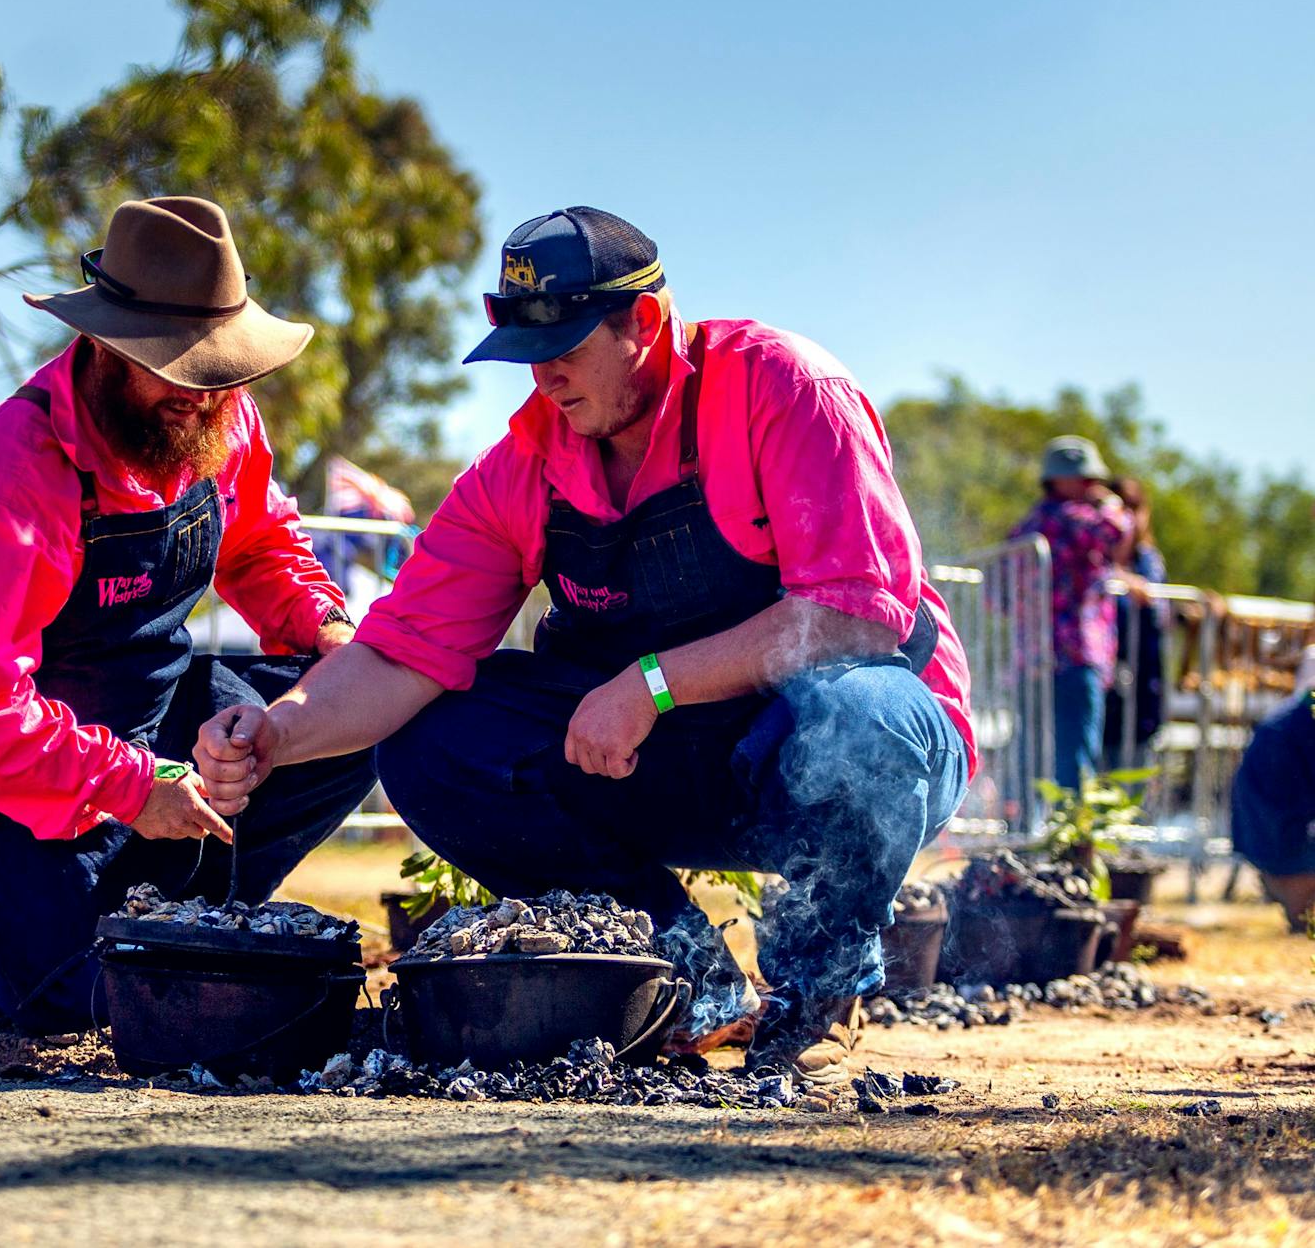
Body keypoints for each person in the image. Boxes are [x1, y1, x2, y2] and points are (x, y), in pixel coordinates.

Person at [194, 207, 975, 1087]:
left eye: (564, 346)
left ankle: (818, 1005)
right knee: (431, 740)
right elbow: (403, 651)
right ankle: (686, 985)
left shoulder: (784, 388)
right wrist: (277, 734)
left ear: (643, 324)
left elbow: (856, 612)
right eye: (528, 354)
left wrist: (651, 683)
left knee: (857, 716)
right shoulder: (523, 465)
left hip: (839, 756)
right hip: (663, 762)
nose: (545, 378)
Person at [0, 196, 378, 1035]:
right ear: (103, 345)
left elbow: (259, 543)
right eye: (174, 368)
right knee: (85, 1001)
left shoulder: (217, 416)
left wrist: (330, 633)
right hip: (4, 761)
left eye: (218, 374)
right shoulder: (0, 482)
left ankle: (173, 929)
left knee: (361, 715)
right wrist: (134, 786)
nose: (202, 400)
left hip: (154, 711)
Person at [1010, 436, 1134, 790]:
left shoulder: (1028, 525)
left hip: (1031, 653)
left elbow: (998, 596)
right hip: (1075, 652)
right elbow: (1119, 529)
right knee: (1076, 749)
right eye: (1084, 478)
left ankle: (1024, 822)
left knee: (1030, 747)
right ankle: (1072, 831)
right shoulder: (1080, 519)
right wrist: (1111, 502)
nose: (1090, 486)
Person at [1231, 689, 1315, 931]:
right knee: (1305, 921)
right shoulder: (1286, 731)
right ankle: (1287, 882)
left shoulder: (1293, 720)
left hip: (1281, 833)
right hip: (1278, 834)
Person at [1102, 477, 1167, 768]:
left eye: (1134, 508)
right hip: (1104, 686)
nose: (1127, 517)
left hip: (1143, 686)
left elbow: (1160, 611)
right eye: (1120, 507)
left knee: (1136, 770)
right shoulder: (1091, 554)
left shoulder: (1150, 561)